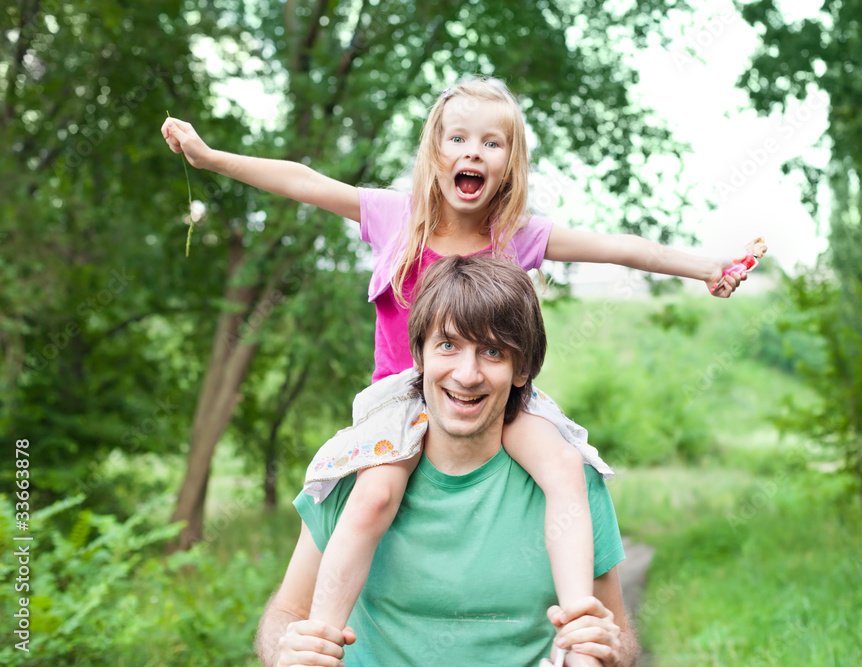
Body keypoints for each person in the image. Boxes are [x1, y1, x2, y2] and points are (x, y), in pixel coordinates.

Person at [160, 76, 750, 651]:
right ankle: (320, 638)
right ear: (435, 152)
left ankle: (578, 622)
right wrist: (210, 158)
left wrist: (705, 269)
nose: (474, 151)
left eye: (492, 143)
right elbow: (302, 180)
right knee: (371, 497)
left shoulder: (517, 236)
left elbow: (622, 247)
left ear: (509, 163)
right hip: (401, 396)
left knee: (566, 468)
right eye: (459, 139)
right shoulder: (397, 217)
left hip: (495, 393)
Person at [256, 254, 640, 666]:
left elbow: (617, 632)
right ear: (419, 356)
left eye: (493, 351)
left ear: (522, 369)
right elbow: (287, 613)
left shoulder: (571, 483)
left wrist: (610, 653)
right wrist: (287, 650)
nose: (467, 374)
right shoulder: (356, 476)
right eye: (448, 345)